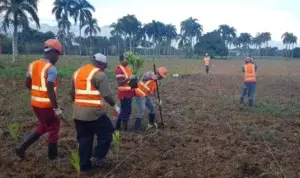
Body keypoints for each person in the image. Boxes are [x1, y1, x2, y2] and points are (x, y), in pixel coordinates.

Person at [71, 53, 120, 172]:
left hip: (78, 112)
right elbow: (107, 95)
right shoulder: (99, 74)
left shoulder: (77, 72)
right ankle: (97, 157)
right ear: (100, 63)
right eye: (104, 66)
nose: (104, 69)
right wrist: (115, 106)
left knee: (84, 139)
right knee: (108, 133)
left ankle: (84, 167)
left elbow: (72, 94)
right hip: (94, 113)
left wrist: (80, 103)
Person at [16, 39, 63, 160]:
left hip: (35, 104)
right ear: (52, 52)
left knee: (44, 125)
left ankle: (22, 147)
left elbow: (27, 84)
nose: (58, 58)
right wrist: (56, 108)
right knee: (53, 127)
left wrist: (37, 93)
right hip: (46, 106)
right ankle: (53, 157)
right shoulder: (51, 69)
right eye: (58, 54)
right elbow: (50, 89)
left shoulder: (32, 65)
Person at [134, 67, 167, 133]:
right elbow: (144, 78)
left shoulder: (157, 82)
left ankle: (151, 124)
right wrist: (151, 77)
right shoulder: (149, 74)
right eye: (161, 76)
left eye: (162, 77)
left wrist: (157, 100)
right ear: (158, 73)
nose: (161, 78)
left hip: (146, 96)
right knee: (142, 109)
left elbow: (153, 92)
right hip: (139, 94)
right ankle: (136, 128)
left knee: (152, 108)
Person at [115, 54, 136, 131]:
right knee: (126, 111)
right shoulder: (119, 69)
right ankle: (124, 129)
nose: (128, 61)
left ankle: (117, 127)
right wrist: (128, 78)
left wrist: (133, 79)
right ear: (121, 60)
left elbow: (130, 80)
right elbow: (119, 83)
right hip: (124, 94)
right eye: (126, 59)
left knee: (125, 110)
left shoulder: (127, 68)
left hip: (129, 93)